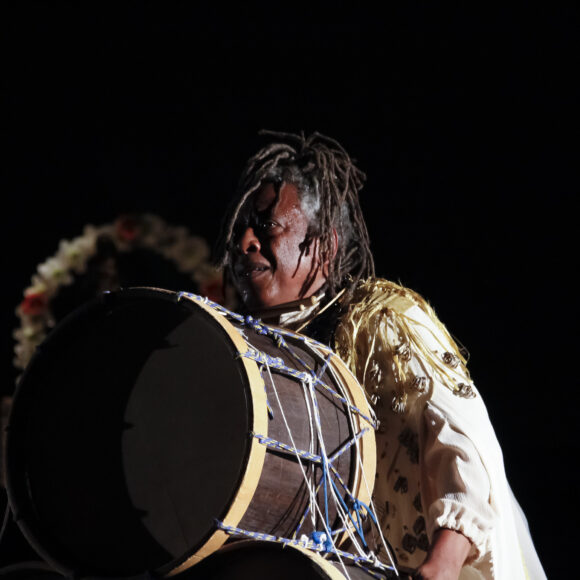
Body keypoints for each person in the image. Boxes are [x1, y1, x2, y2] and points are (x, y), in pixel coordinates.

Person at [216, 131, 545, 580]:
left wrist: (443, 564)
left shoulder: (381, 319)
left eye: (266, 225)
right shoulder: (250, 352)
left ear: (326, 248)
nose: (245, 242)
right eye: (240, 231)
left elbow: (464, 434)